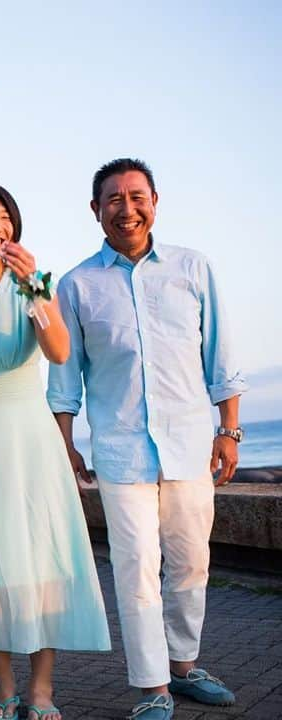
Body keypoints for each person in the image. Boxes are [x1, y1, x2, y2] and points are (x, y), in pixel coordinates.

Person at [48, 158, 248, 720]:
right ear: (96, 210)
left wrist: (228, 430)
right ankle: (152, 689)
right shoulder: (77, 285)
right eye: (113, 199)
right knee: (135, 567)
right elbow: (64, 380)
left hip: (188, 443)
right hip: (120, 450)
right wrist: (65, 443)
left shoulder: (192, 268)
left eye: (136, 196)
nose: (126, 208)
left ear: (155, 201)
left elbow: (221, 357)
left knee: (190, 562)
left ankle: (184, 667)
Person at [0, 182, 110, 720]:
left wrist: (35, 286)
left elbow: (59, 351)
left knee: (38, 559)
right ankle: (4, 684)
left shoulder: (32, 285)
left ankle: (42, 688)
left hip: (28, 437)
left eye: (5, 217)